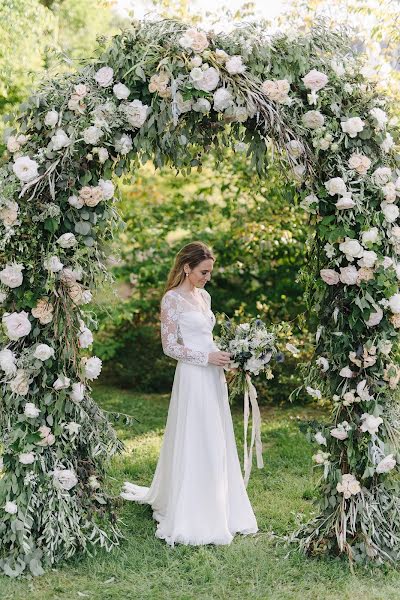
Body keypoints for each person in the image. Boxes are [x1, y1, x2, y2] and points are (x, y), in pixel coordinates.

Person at [121, 241, 259, 546]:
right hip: (192, 375)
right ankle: (192, 507)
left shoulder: (204, 296)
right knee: (197, 434)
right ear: (187, 267)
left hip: (213, 376)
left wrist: (225, 356)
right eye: (203, 271)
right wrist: (206, 358)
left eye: (209, 272)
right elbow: (170, 347)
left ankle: (219, 501)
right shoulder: (171, 300)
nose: (207, 277)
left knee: (216, 435)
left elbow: (206, 337)